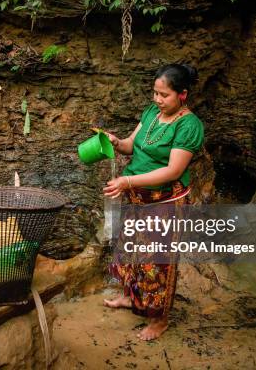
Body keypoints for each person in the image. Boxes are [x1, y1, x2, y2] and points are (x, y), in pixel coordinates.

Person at [102, 63, 204, 341]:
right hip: (137, 196)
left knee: (157, 263)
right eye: (155, 93)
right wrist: (114, 142)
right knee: (132, 251)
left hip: (165, 202)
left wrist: (127, 181)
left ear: (182, 95)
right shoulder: (151, 113)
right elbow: (130, 145)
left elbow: (173, 171)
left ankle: (160, 320)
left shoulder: (189, 125)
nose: (157, 100)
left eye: (164, 95)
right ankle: (133, 299)